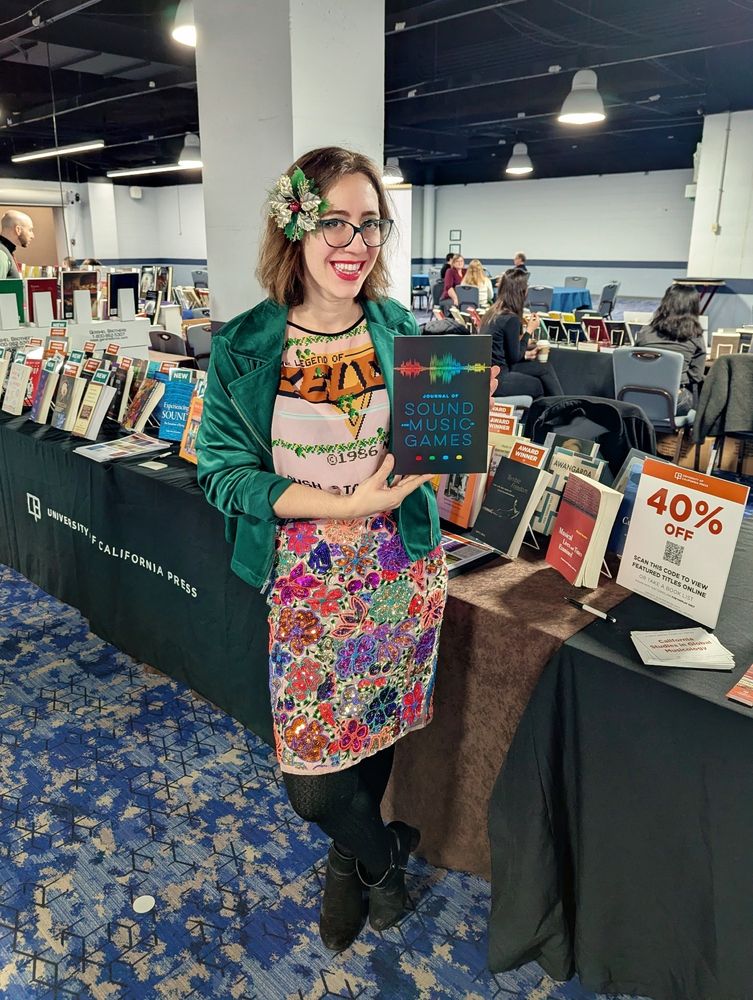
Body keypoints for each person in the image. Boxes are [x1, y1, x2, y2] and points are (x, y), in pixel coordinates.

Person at [196, 147, 497, 953]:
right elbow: (222, 473)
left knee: (371, 730)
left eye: (370, 224)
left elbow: (424, 454)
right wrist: (344, 502)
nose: (354, 242)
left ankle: (347, 867)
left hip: (401, 567)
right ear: (293, 228)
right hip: (307, 577)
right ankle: (382, 858)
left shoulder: (399, 328)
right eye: (333, 221)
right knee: (312, 786)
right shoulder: (246, 344)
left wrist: (459, 419)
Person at [481, 268, 563, 399]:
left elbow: (505, 352)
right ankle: (562, 405)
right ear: (520, 291)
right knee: (538, 385)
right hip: (499, 376)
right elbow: (514, 357)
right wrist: (529, 330)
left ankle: (561, 405)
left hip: (490, 373)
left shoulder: (492, 313)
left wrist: (527, 354)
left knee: (545, 368)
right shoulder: (510, 318)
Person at [634, 284, 706, 414]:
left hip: (639, 397)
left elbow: (635, 363)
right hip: (674, 400)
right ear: (694, 308)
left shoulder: (645, 332)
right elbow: (696, 376)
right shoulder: (695, 337)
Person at [0, 210, 34, 279]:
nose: (32, 236)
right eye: (30, 230)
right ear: (18, 230)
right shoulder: (2, 254)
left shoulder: (6, 251)